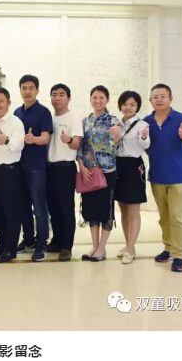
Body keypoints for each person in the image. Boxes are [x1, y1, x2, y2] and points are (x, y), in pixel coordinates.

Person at [144, 84, 182, 273]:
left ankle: (179, 255)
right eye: (155, 97)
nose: (158, 99)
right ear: (150, 100)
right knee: (164, 217)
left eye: (162, 96)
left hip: (179, 177)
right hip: (157, 176)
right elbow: (145, 147)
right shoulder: (146, 122)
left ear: (170, 99)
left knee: (178, 217)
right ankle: (168, 248)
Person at [77, 85, 123, 262]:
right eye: (94, 98)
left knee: (105, 210)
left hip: (106, 172)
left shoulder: (113, 121)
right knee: (91, 210)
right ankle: (94, 246)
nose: (97, 101)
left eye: (101, 98)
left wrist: (117, 136)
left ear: (107, 100)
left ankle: (102, 248)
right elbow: (80, 147)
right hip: (88, 172)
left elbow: (116, 147)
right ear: (90, 99)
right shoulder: (85, 121)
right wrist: (82, 166)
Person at [14, 75, 53, 262]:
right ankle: (28, 239)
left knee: (39, 208)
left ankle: (41, 243)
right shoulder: (16, 112)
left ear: (37, 90)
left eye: (31, 88)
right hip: (18, 165)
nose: (27, 91)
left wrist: (33, 139)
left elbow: (46, 137)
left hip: (36, 167)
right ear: (20, 90)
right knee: (22, 206)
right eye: (24, 88)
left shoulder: (43, 112)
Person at [0, 87, 25, 263]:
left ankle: (10, 249)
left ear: (8, 103)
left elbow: (20, 145)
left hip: (9, 172)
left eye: (1, 101)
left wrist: (7, 140)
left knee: (10, 212)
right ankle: (1, 244)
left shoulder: (15, 122)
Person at [46, 84, 83, 262]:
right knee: (53, 207)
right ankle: (56, 241)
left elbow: (76, 144)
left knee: (65, 208)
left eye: (61, 95)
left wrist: (68, 139)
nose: (57, 98)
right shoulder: (49, 117)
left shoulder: (73, 118)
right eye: (54, 94)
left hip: (65, 167)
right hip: (49, 167)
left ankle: (66, 246)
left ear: (68, 98)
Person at [114, 91, 151, 264]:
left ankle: (130, 249)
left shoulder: (142, 124)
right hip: (118, 165)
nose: (128, 107)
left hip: (134, 166)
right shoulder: (116, 123)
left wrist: (144, 137)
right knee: (122, 208)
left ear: (137, 107)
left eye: (132, 105)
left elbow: (145, 143)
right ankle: (129, 244)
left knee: (133, 210)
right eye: (125, 104)